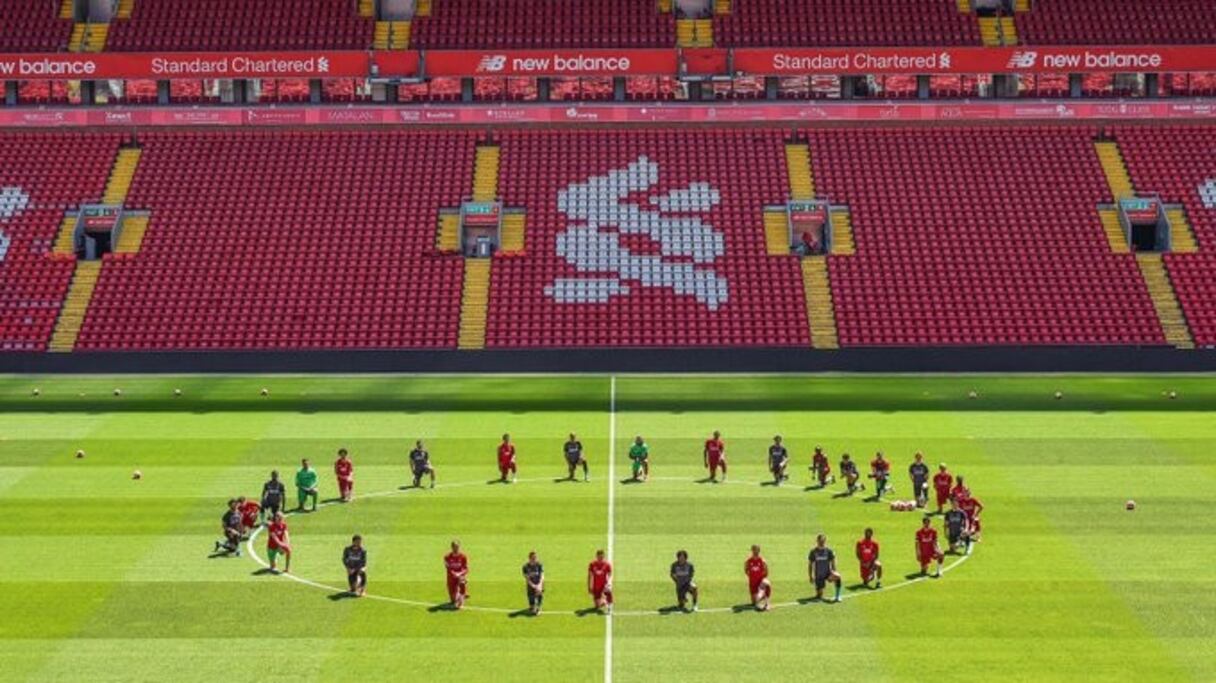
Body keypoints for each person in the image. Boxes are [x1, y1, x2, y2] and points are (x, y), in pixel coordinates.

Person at [808, 534, 842, 602]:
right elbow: (810, 564)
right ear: (817, 541)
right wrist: (810, 576)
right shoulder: (813, 551)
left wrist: (833, 571)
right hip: (819, 575)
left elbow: (833, 561)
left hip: (827, 573)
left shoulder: (829, 551)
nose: (822, 543)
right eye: (820, 541)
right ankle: (819, 592)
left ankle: (837, 596)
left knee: (838, 577)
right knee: (819, 596)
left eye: (823, 541)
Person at [744, 545, 771, 611]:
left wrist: (762, 580)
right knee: (754, 602)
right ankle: (761, 596)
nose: (755, 552)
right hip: (752, 584)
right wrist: (752, 577)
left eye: (757, 550)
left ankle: (767, 603)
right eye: (754, 550)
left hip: (760, 582)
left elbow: (766, 572)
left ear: (759, 551)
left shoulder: (763, 561)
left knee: (766, 583)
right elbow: (746, 570)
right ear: (752, 550)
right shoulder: (748, 561)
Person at [444, 540, 469, 609]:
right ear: (451, 547)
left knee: (462, 581)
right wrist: (454, 574)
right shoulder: (447, 557)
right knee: (453, 600)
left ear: (459, 547)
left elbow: (466, 569)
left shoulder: (463, 557)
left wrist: (460, 574)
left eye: (457, 547)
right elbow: (448, 568)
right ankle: (459, 595)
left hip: (460, 577)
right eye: (454, 547)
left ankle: (462, 595)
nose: (455, 549)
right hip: (451, 578)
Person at [588, 549, 614, 613]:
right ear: (596, 556)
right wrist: (589, 586)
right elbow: (590, 576)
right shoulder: (592, 564)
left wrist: (609, 583)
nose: (600, 558)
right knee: (597, 606)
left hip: (604, 585)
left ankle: (609, 606)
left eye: (602, 557)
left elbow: (610, 574)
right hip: (596, 586)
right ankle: (604, 601)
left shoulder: (607, 564)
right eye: (599, 557)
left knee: (609, 592)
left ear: (603, 556)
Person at [522, 551, 545, 615]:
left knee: (539, 594)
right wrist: (533, 586)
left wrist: (539, 585)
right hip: (530, 585)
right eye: (533, 558)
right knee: (531, 601)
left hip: (539, 583)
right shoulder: (525, 567)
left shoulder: (539, 565)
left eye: (535, 558)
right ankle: (532, 606)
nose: (534, 559)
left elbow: (542, 576)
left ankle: (538, 608)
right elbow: (527, 578)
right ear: (529, 558)